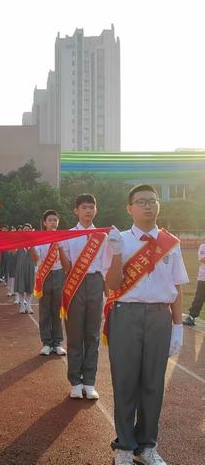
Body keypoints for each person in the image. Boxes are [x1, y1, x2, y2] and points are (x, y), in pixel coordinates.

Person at [105, 184, 188, 465]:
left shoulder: (171, 243)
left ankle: (147, 445)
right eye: (141, 202)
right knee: (126, 381)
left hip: (159, 317)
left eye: (152, 201)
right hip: (126, 314)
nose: (148, 206)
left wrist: (177, 327)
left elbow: (176, 287)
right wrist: (116, 254)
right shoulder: (119, 240)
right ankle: (125, 446)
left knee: (153, 383)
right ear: (130, 208)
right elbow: (112, 286)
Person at [59, 194, 113, 400]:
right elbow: (67, 268)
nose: (88, 211)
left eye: (91, 207)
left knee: (92, 335)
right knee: (74, 335)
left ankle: (89, 381)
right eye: (84, 207)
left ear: (96, 210)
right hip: (75, 285)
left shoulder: (103, 236)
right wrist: (60, 249)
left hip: (96, 283)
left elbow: (107, 268)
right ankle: (75, 381)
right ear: (76, 211)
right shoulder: (68, 235)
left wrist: (109, 297)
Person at [35, 210, 66, 356]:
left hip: (59, 274)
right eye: (50, 220)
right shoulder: (39, 239)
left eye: (55, 220)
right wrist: (29, 247)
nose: (53, 222)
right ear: (45, 223)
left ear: (58, 222)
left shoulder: (64, 238)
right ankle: (46, 342)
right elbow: (35, 259)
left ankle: (57, 342)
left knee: (57, 310)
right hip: (44, 275)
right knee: (45, 310)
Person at [14, 223, 38, 313]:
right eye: (25, 229)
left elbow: (36, 257)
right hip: (20, 267)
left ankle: (28, 306)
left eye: (28, 229)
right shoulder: (18, 241)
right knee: (21, 287)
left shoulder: (34, 241)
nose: (26, 230)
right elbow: (13, 253)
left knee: (30, 288)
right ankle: (22, 307)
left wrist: (33, 245)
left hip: (31, 267)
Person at [183, 242, 205, 326]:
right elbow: (202, 259)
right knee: (199, 298)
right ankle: (192, 317)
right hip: (203, 278)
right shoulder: (203, 246)